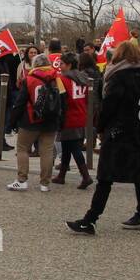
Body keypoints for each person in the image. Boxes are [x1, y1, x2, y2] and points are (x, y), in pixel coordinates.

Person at [66, 41, 140, 236]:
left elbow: (109, 107)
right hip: (138, 134)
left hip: (118, 134)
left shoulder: (118, 78)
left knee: (105, 177)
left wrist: (101, 127)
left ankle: (90, 219)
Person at [7, 53, 62, 192]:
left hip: (31, 119)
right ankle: (45, 183)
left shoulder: (29, 79)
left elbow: (20, 103)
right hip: (51, 120)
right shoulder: (57, 78)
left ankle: (22, 179)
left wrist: (11, 122)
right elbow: (63, 100)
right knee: (47, 151)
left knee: (22, 148)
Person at [54, 52, 93, 189]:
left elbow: (61, 100)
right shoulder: (83, 78)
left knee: (74, 148)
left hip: (68, 116)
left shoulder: (62, 80)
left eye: (62, 64)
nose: (60, 66)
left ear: (69, 65)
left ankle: (86, 176)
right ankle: (62, 175)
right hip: (81, 114)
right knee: (67, 147)